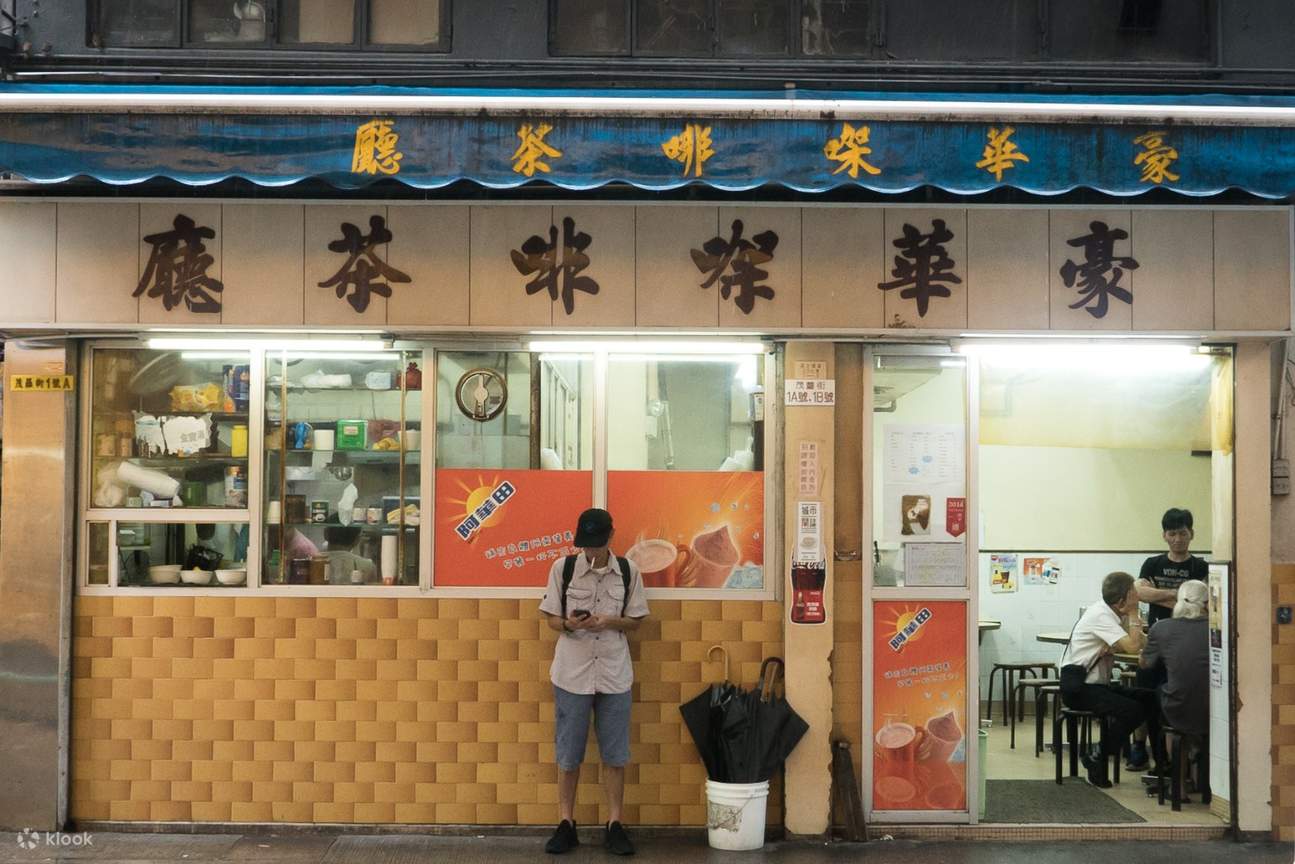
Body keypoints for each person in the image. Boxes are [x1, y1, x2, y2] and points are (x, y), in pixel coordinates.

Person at [538, 508, 649, 856]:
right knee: (568, 752)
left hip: (614, 674)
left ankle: (614, 824)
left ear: (610, 537)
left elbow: (636, 621)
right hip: (572, 674)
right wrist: (570, 624)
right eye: (586, 544)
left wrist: (608, 621)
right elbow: (550, 618)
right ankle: (566, 823)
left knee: (615, 754)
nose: (591, 550)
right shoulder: (563, 568)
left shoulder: (628, 571)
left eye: (597, 543)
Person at [1059, 571, 1162, 788]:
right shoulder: (1101, 615)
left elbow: (1138, 641)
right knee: (1133, 710)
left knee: (1151, 698)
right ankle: (1098, 756)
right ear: (1123, 599)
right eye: (1134, 592)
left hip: (1097, 686)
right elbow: (1132, 646)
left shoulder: (1114, 613)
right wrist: (1134, 613)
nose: (1138, 595)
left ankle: (1162, 763)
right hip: (1079, 689)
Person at [1127, 508, 1209, 770]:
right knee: (1144, 695)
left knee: (1182, 697)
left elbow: (1205, 600)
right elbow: (1139, 593)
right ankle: (1142, 749)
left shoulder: (1201, 566)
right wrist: (1181, 596)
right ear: (1164, 535)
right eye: (1172, 534)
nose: (1177, 539)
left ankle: (1185, 760)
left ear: (1191, 534)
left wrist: (1158, 593)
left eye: (1182, 533)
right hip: (1156, 640)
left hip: (1187, 643)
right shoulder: (1152, 563)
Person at [1141, 579, 1210, 736]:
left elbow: (1144, 664)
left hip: (1176, 707)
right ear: (1207, 603)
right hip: (1213, 707)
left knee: (1155, 690)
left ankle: (1161, 748)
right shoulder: (1217, 630)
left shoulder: (1161, 628)